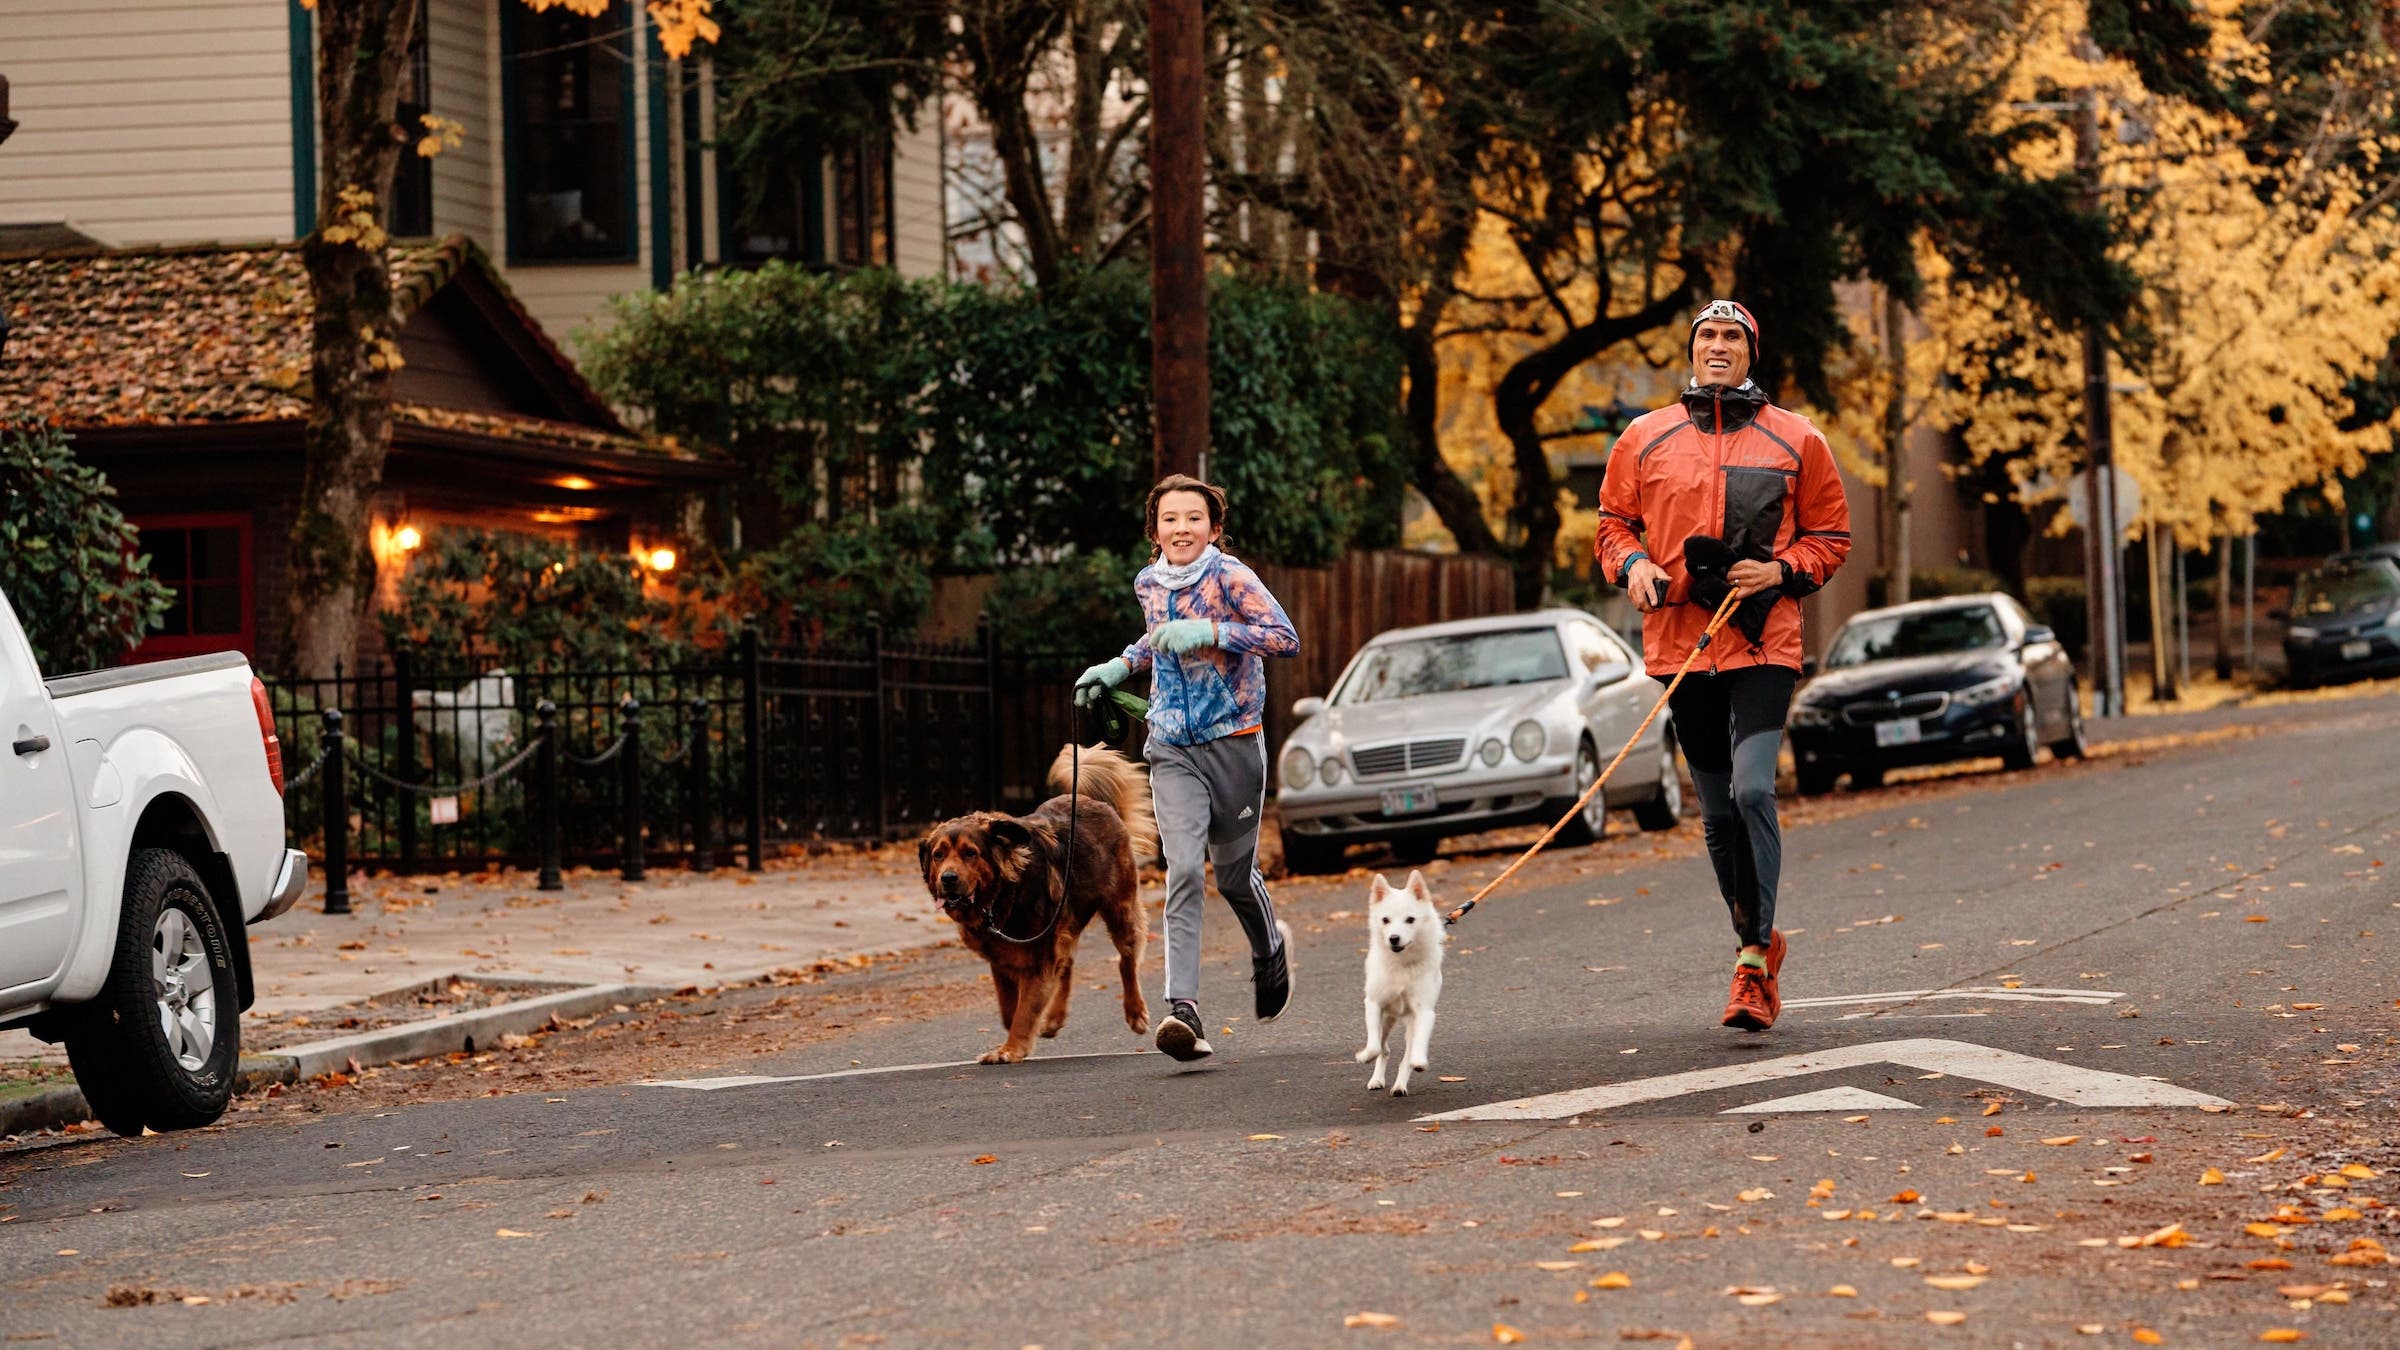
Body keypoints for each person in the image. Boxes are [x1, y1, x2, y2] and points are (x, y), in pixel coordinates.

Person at [1592, 300, 1851, 1031]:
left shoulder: (1797, 439)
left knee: (1752, 791)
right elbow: (1613, 524)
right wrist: (1633, 564)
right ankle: (1759, 943)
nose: (1717, 345)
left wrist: (1781, 571)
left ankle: (1749, 970)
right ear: (1692, 349)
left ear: (1750, 353)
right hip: (1682, 645)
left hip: (1763, 641)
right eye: (1706, 335)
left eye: (1731, 336)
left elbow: (1831, 535)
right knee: (1714, 817)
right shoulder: (1645, 438)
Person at [1076, 474, 1301, 1061]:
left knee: (1232, 876)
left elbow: (1284, 637)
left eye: (1193, 518)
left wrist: (1212, 631)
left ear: (1214, 527)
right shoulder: (1147, 582)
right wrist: (1119, 666)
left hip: (1234, 741)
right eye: (1170, 519)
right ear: (1155, 530)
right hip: (1170, 744)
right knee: (1181, 870)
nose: (1181, 528)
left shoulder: (1232, 577)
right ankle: (1185, 1012)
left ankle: (1269, 947)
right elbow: (1156, 640)